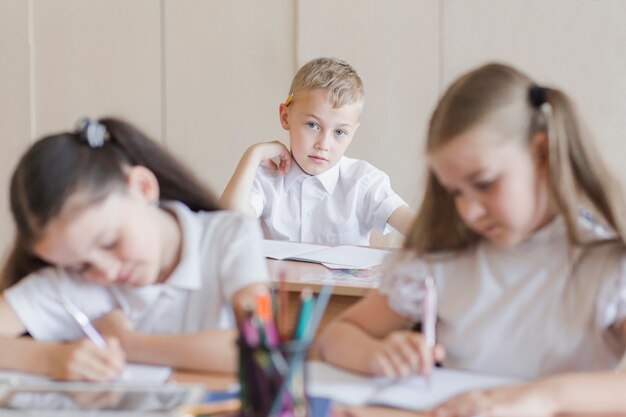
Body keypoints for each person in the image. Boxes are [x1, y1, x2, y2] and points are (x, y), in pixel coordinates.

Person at [318, 62, 626, 389]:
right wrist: (376, 353)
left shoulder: (606, 267)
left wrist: (544, 398)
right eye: (455, 193)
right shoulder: (442, 260)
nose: (469, 211)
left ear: (542, 154)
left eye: (485, 183)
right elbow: (336, 338)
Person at [0, 117, 269, 381]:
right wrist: (50, 359)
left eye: (109, 242)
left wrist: (130, 343)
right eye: (80, 266)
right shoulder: (74, 281)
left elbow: (260, 345)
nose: (105, 271)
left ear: (142, 187)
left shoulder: (229, 235)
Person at [220, 57, 415, 245]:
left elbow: (418, 229)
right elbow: (226, 229)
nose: (323, 144)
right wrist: (253, 154)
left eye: (339, 132)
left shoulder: (364, 182)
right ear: (285, 117)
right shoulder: (265, 179)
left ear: (352, 134)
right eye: (312, 125)